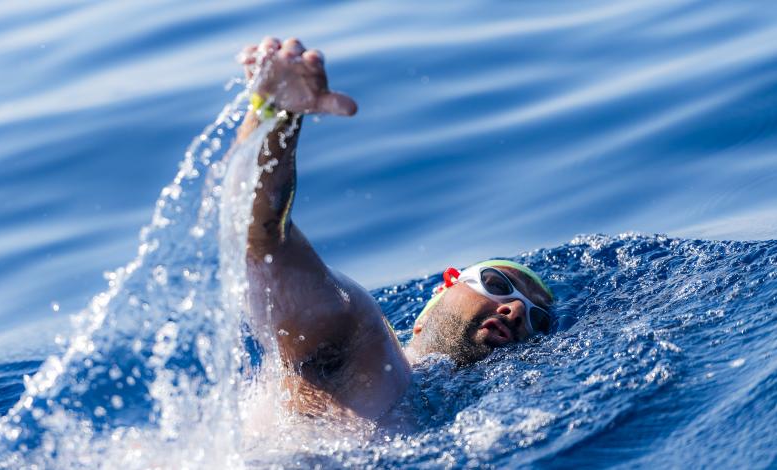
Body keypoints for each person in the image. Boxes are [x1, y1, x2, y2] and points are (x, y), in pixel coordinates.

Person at [232, 37, 555, 421]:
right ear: (443, 289)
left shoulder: (477, 419)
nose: (516, 309)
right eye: (497, 284)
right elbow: (258, 237)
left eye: (538, 321)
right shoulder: (355, 337)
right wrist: (276, 117)